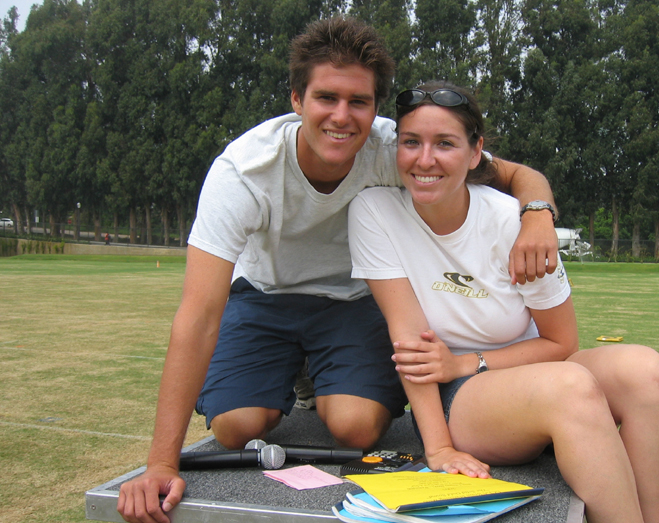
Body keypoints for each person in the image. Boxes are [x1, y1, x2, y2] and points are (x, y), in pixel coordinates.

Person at [117, 18, 560, 523]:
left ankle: (319, 372)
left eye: (360, 102)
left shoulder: (398, 147)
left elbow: (515, 173)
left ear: (375, 110)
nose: (342, 117)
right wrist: (160, 463)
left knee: (355, 426)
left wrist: (538, 213)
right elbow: (197, 317)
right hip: (265, 295)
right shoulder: (243, 173)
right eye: (327, 98)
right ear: (297, 100)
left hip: (351, 303)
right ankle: (296, 370)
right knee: (236, 427)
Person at [348, 81, 659, 523]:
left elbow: (563, 343)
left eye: (445, 144)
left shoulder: (515, 221)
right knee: (570, 388)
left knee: (650, 374)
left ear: (475, 154)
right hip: (460, 400)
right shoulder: (375, 212)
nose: (424, 159)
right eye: (411, 142)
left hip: (514, 372)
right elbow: (413, 346)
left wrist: (468, 361)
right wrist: (439, 447)